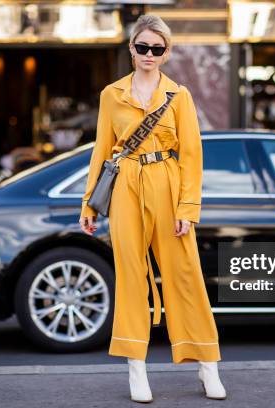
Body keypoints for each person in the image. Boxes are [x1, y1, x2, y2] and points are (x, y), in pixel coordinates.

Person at [78, 14, 226, 403]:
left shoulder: (180, 96)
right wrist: (88, 203)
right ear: (131, 48)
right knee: (130, 276)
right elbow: (100, 151)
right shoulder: (112, 94)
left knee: (185, 275)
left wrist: (187, 206)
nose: (148, 53)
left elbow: (192, 154)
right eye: (142, 46)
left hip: (167, 181)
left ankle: (207, 363)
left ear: (166, 53)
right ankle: (136, 367)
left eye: (156, 48)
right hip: (125, 185)